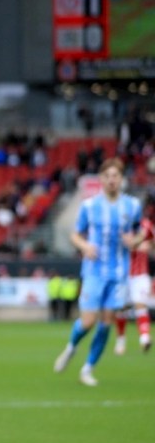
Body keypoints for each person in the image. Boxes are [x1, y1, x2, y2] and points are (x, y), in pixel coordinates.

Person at [54, 158, 143, 385]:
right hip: (94, 271)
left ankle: (87, 369)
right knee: (88, 322)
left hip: (119, 274)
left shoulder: (132, 205)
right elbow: (75, 235)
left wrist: (134, 241)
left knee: (106, 324)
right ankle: (71, 347)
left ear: (121, 179)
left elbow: (142, 233)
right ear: (101, 179)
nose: (111, 180)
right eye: (107, 176)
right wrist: (85, 246)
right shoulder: (89, 206)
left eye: (116, 176)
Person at [113, 204, 153, 355]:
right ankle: (121, 339)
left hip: (140, 273)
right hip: (123, 274)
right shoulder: (119, 226)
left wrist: (149, 245)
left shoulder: (146, 225)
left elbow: (151, 242)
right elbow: (124, 244)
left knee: (140, 305)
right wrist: (139, 244)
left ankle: (145, 338)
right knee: (121, 308)